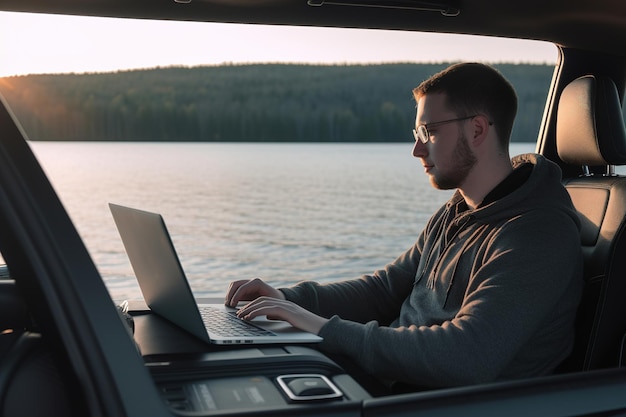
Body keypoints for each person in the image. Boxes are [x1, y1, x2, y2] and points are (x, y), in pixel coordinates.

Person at [225, 62, 583, 392]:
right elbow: (383, 289)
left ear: (477, 130)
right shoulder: (456, 212)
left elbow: (466, 356)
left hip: (438, 402)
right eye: (417, 131)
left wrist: (320, 327)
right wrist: (289, 299)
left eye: (428, 132)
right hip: (390, 383)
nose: (416, 149)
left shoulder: (537, 233)